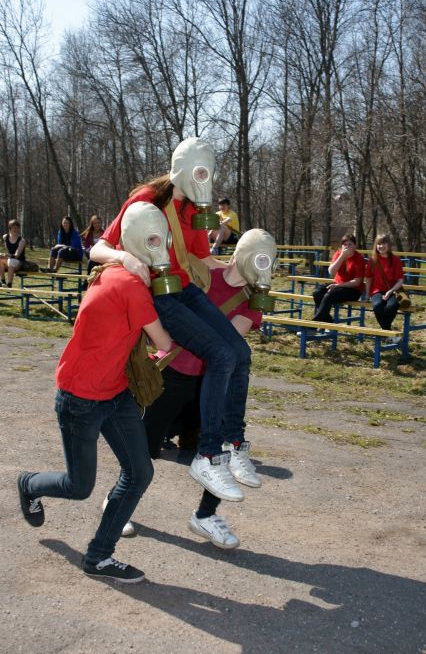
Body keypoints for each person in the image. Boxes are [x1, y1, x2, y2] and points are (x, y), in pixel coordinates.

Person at [90, 137, 255, 503]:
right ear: (183, 168)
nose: (203, 180)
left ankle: (234, 443)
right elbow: (98, 249)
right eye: (200, 172)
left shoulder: (195, 209)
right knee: (221, 355)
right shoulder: (147, 199)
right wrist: (126, 259)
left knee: (240, 354)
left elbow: (203, 260)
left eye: (208, 174)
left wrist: (243, 269)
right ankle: (208, 455)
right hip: (157, 293)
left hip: (185, 290)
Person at [17, 202, 173, 583]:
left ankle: (99, 556)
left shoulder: (116, 270)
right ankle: (29, 484)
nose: (162, 248)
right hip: (80, 399)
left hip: (114, 393)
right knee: (79, 486)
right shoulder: (130, 285)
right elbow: (165, 343)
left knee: (139, 472)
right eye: (156, 241)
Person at [117, 229, 277, 548]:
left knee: (218, 454)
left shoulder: (252, 302)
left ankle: (205, 516)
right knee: (144, 449)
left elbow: (226, 341)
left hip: (212, 385)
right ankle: (118, 502)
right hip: (174, 375)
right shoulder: (201, 276)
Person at [311, 234, 366, 328]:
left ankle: (314, 325)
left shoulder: (359, 258)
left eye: (350, 244)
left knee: (329, 295)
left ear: (355, 246)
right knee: (317, 293)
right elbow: (331, 272)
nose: (347, 246)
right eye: (345, 244)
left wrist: (338, 286)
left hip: (353, 290)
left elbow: (357, 282)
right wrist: (342, 256)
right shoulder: (338, 254)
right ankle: (328, 322)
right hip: (337, 286)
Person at [364, 234, 404, 336]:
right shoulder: (372, 260)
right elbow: (368, 278)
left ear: (389, 245)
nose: (381, 246)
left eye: (384, 243)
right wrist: (367, 295)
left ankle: (385, 333)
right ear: (376, 245)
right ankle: (388, 332)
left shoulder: (395, 260)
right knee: (377, 305)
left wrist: (390, 291)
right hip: (377, 291)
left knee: (391, 306)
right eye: (379, 244)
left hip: (394, 291)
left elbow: (400, 280)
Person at [0, 219, 26, 287]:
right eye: (13, 227)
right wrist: (2, 255)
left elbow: (17, 256)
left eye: (17, 227)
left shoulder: (22, 241)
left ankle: (9, 284)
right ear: (9, 228)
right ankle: (2, 281)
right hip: (9, 260)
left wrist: (7, 255)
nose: (15, 229)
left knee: (11, 261)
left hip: (19, 262)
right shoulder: (5, 237)